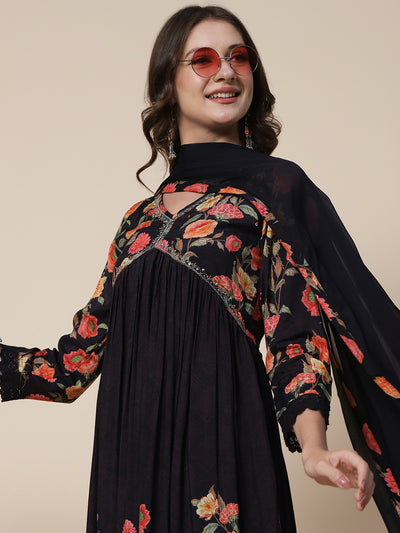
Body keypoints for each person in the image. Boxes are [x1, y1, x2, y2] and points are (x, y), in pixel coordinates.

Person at [0, 5, 399, 532]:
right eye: (204, 59)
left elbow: (295, 337)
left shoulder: (272, 194)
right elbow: (74, 366)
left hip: (224, 459)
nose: (226, 71)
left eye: (239, 57)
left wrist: (315, 450)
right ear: (169, 83)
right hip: (130, 473)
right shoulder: (137, 223)